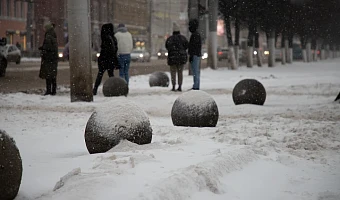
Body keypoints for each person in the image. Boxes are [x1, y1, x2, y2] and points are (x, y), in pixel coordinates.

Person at [93, 23, 119, 95]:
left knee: (100, 74)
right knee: (110, 75)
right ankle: (114, 89)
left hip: (104, 59)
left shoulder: (105, 38)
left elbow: (105, 49)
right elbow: (115, 49)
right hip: (111, 59)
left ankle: (95, 89)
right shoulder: (112, 38)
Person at [165, 22, 188, 92]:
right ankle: (180, 86)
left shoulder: (170, 39)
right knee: (180, 73)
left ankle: (173, 86)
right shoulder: (183, 38)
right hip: (181, 59)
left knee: (173, 73)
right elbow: (186, 46)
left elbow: (167, 47)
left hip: (172, 59)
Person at [39, 23, 58, 95]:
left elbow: (48, 47)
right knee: (53, 76)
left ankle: (49, 91)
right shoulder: (53, 34)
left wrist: (43, 49)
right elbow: (52, 47)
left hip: (49, 59)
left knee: (48, 75)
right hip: (53, 59)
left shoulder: (48, 36)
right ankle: (53, 91)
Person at [188, 19, 202, 90]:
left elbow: (193, 47)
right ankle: (195, 85)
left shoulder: (195, 35)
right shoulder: (196, 34)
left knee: (195, 71)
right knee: (195, 71)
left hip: (195, 55)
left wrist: (191, 55)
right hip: (196, 55)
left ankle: (196, 86)